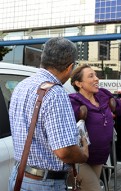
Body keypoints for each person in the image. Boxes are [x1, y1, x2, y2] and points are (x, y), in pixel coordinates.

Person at [8, 37, 89, 191]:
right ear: (69, 67)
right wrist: (83, 154)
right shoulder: (56, 93)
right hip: (43, 183)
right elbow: (64, 151)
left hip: (18, 177)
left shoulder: (21, 86)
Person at [69, 64, 121, 191]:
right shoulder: (73, 101)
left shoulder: (102, 94)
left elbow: (119, 107)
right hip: (81, 159)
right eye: (91, 76)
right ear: (79, 83)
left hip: (99, 157)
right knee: (94, 188)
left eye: (96, 75)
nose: (96, 79)